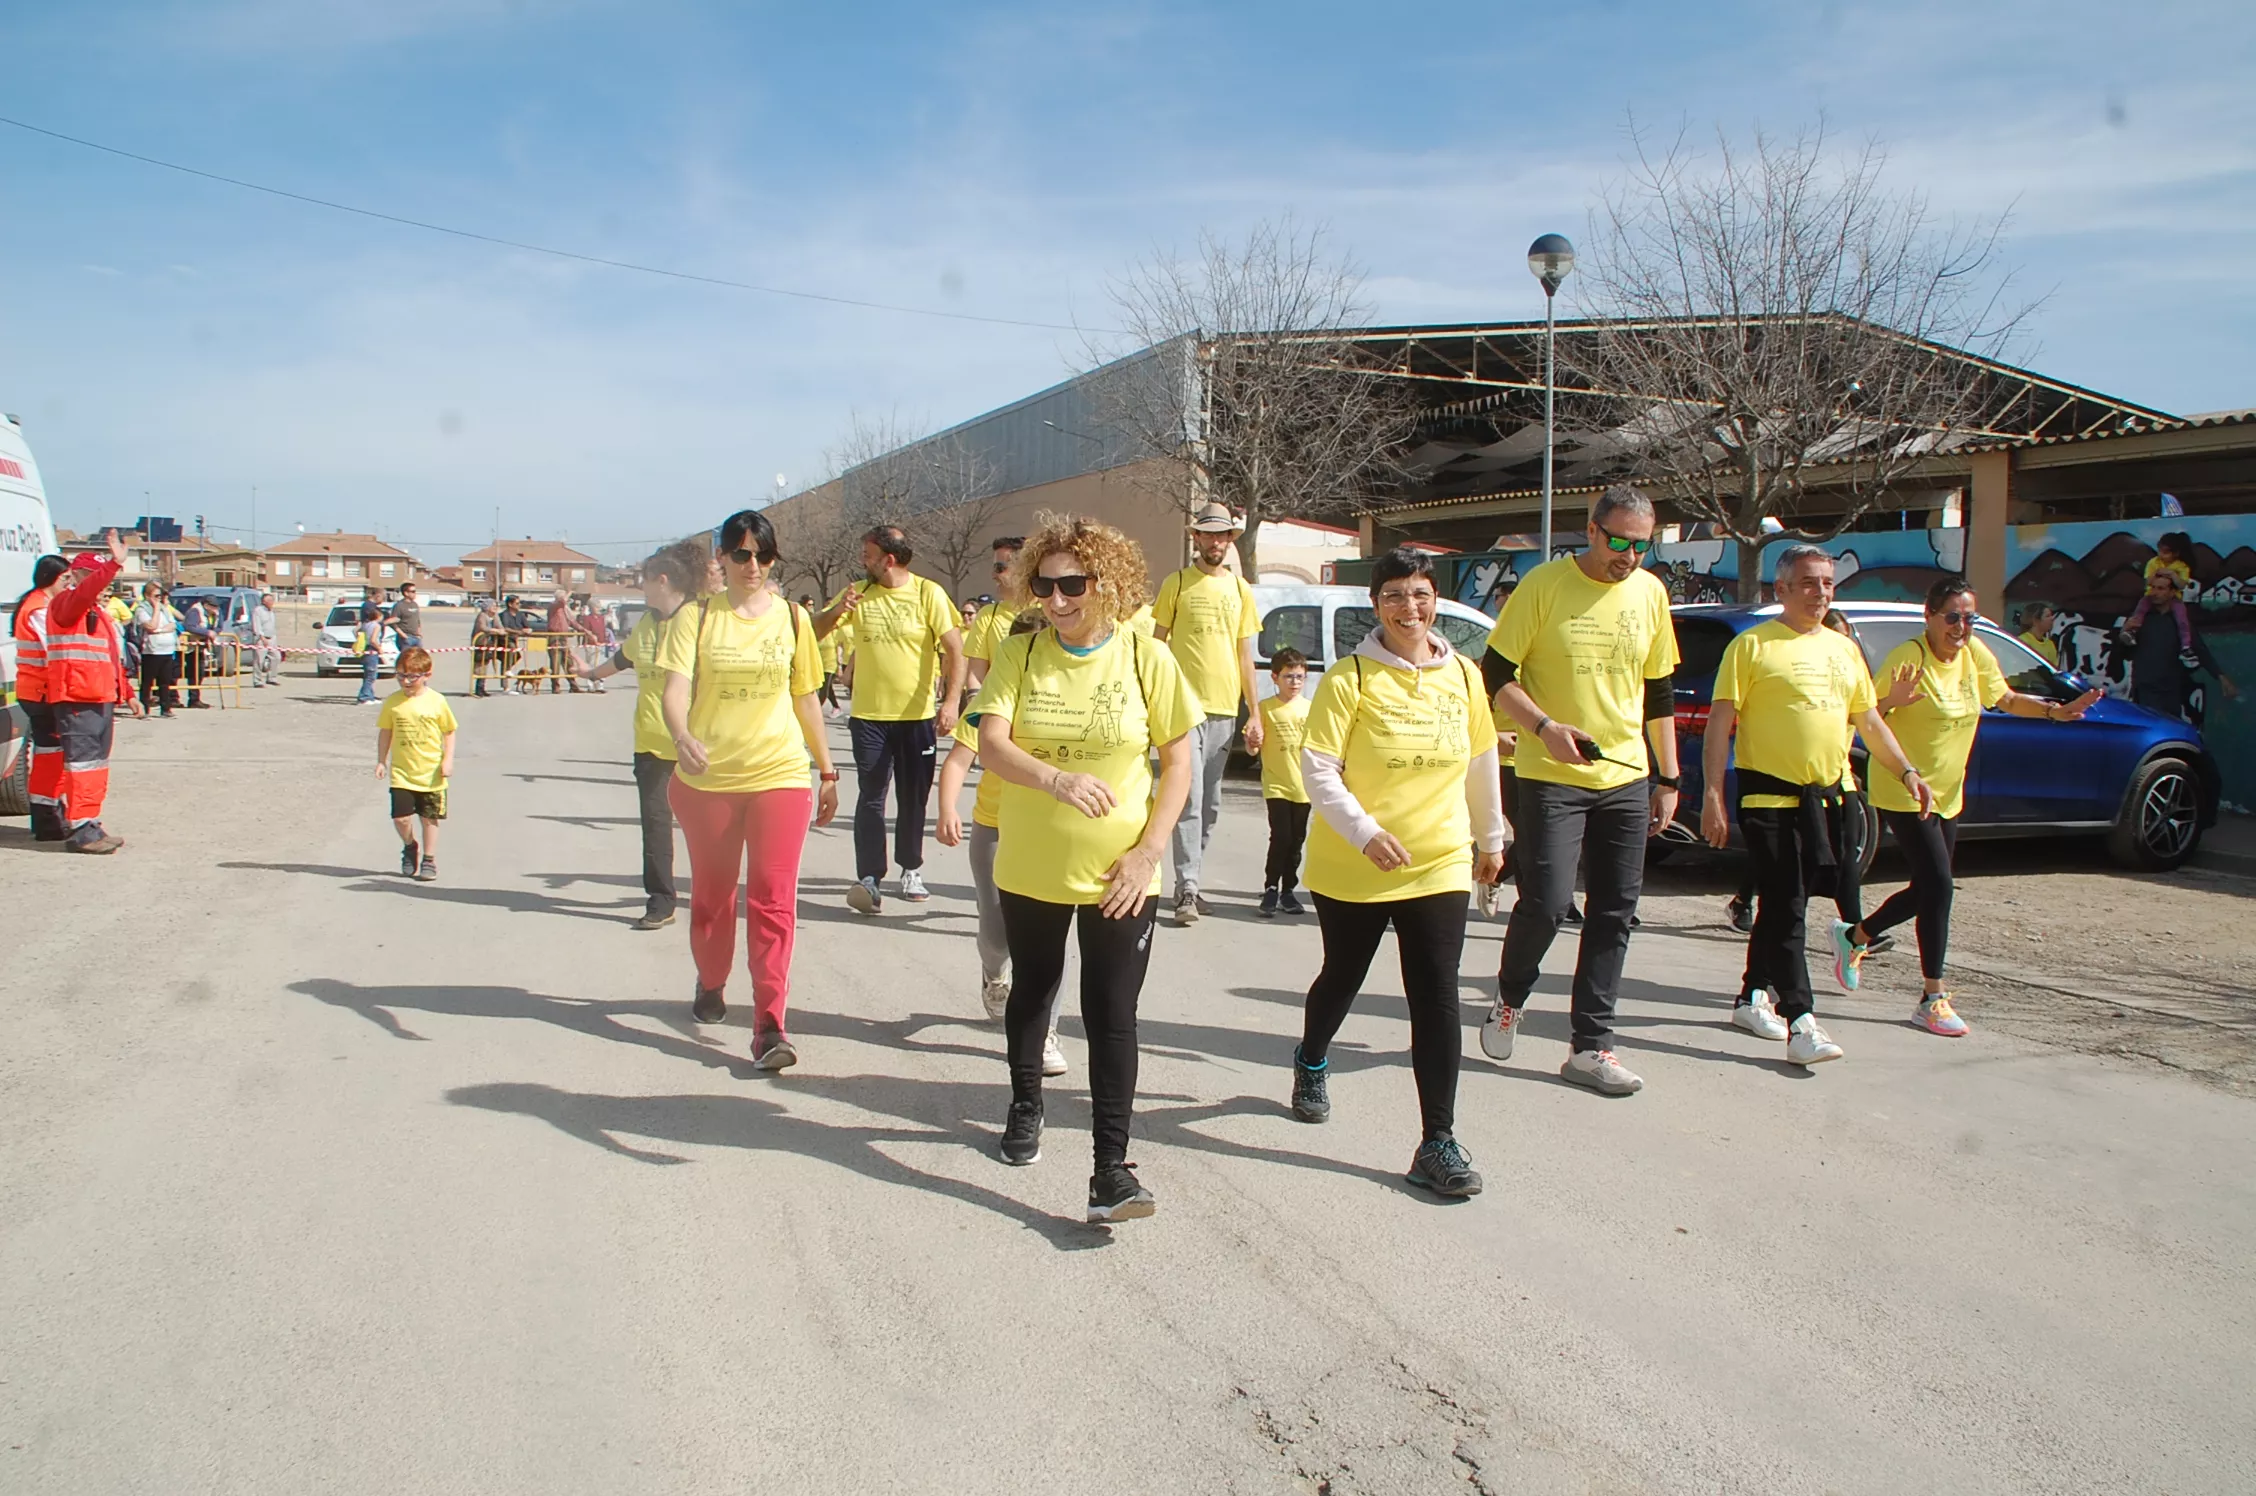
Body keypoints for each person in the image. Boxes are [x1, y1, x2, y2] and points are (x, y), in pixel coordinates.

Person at [970, 514, 1197, 1222]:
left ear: (1109, 582)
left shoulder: (1146, 658)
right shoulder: (1021, 654)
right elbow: (992, 744)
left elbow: (1179, 765)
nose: (1057, 600)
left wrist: (1148, 852)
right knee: (1034, 990)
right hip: (1032, 864)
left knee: (1112, 1013)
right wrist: (1055, 779)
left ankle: (1111, 1171)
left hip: (1121, 873)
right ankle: (1026, 1103)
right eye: (1044, 586)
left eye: (1073, 585)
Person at [1287, 548, 1506, 1199]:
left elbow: (1481, 760)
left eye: (1420, 594)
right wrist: (1365, 832)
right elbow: (1318, 770)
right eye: (1394, 595)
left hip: (1438, 860)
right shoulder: (1349, 678)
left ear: (1435, 599)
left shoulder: (1464, 674)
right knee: (1343, 976)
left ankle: (1437, 1140)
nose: (1409, 608)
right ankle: (1312, 1057)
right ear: (1375, 603)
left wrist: (1491, 839)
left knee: (1436, 993)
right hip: (1353, 862)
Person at [1479, 487, 1680, 1096]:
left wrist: (1669, 777)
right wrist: (1544, 727)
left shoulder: (1650, 593)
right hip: (1550, 774)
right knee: (1546, 902)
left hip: (1625, 776)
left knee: (1615, 912)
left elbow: (1659, 692)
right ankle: (1510, 996)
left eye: (1641, 545)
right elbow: (1496, 673)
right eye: (1618, 541)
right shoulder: (1544, 586)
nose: (1629, 556)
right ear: (1590, 531)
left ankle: (1592, 1045)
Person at [1700, 545, 1932, 1065]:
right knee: (1787, 906)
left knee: (1788, 904)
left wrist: (1907, 771)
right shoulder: (1751, 645)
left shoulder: (1844, 649)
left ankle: (1751, 994)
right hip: (1769, 797)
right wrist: (1713, 794)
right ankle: (1801, 1021)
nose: (1821, 593)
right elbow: (1719, 723)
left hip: (1829, 798)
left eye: (1827, 583)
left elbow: (1869, 721)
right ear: (1781, 589)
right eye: (1809, 583)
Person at [1840, 579, 2104, 1034]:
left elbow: (2006, 699)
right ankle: (1932, 997)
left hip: (1947, 791)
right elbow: (1864, 716)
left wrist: (2053, 711)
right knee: (1939, 885)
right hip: (1904, 787)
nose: (1961, 627)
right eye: (1952, 617)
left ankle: (1854, 936)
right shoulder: (1909, 658)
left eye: (1969, 618)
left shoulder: (1973, 654)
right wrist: (1891, 701)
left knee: (1929, 888)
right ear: (1929, 616)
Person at [660, 509, 839, 1070]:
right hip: (709, 780)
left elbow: (806, 697)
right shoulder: (696, 618)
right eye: (740, 554)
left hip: (779, 775)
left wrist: (827, 770)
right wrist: (682, 735)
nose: (752, 565)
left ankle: (770, 1024)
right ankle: (712, 979)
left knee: (773, 900)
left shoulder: (793, 620)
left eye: (763, 555)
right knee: (712, 900)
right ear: (722, 558)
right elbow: (674, 689)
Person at [937, 612, 1068, 1075]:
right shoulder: (993, 703)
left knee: (1048, 939)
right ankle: (994, 974)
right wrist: (948, 809)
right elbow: (957, 762)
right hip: (995, 827)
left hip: (1050, 830)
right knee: (996, 932)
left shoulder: (1066, 702)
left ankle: (1046, 1031)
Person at [1722, 609, 1892, 962]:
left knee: (1839, 864)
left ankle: (1850, 931)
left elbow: (1867, 717)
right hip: (1780, 787)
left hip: (1837, 783)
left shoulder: (1845, 660)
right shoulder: (1762, 649)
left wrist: (1906, 771)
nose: (1841, 642)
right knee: (1784, 884)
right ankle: (1768, 955)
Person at [812, 524, 965, 915]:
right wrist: (837, 611)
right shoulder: (857, 593)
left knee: (913, 799)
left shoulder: (928, 593)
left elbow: (955, 650)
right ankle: (869, 878)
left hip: (917, 719)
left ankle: (910, 868)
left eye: (868, 556)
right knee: (871, 797)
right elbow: (814, 633)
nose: (863, 561)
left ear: (889, 560)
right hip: (869, 718)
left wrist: (951, 703)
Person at [578, 542, 703, 929]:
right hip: (651, 743)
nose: (640, 588)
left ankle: (714, 894)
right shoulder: (648, 623)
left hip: (698, 744)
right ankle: (661, 900)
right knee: (656, 825)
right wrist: (590, 674)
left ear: (662, 580)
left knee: (707, 827)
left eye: (643, 580)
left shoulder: (700, 620)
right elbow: (625, 658)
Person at [1152, 501, 1264, 924]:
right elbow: (1157, 645)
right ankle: (1187, 887)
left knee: (1211, 804)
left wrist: (1255, 714)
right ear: (1195, 538)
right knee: (1190, 798)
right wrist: (1152, 699)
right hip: (1183, 710)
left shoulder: (1240, 589)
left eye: (1222, 536)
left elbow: (1244, 655)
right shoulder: (1177, 584)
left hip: (1224, 711)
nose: (1215, 542)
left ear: (1229, 540)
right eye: (1208, 535)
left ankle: (1190, 879)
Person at [37, 532, 133, 852]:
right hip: (77, 696)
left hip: (98, 695)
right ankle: (81, 828)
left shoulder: (94, 611)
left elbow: (110, 656)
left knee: (94, 765)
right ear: (76, 575)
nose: (100, 583)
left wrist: (127, 692)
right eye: (92, 575)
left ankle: (90, 822)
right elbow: (86, 591)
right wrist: (113, 565)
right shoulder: (67, 604)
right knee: (82, 764)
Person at [375, 646, 457, 882]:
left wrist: (447, 760)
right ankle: (410, 845)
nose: (406, 681)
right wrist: (381, 761)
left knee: (429, 818)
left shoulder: (437, 701)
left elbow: (449, 731)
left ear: (427, 675)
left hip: (431, 772)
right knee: (400, 818)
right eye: (401, 675)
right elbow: (385, 732)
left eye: (412, 676)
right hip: (402, 771)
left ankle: (429, 859)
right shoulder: (393, 702)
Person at [2125, 568, 2239, 722]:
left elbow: (2199, 649)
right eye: (2153, 588)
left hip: (2171, 690)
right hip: (2145, 688)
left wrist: (2221, 677)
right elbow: (2124, 650)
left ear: (2172, 592)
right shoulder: (2141, 618)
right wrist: (2124, 633)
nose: (2154, 593)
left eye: (2161, 588)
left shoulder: (2181, 623)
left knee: (2171, 730)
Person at [12, 554, 70, 841]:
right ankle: (47, 820)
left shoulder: (37, 604)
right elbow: (55, 651)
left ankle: (50, 816)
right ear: (52, 578)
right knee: (50, 757)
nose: (69, 585)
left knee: (51, 756)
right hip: (41, 693)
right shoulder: (39, 609)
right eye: (66, 579)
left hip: (39, 691)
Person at [1256, 646, 1312, 917]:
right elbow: (1253, 748)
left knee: (1296, 841)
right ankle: (1270, 888)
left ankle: (1288, 890)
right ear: (1275, 678)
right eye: (1288, 676)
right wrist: (1252, 742)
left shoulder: (1311, 709)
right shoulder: (1265, 708)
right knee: (1281, 837)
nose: (1294, 682)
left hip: (1303, 788)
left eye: (1299, 677)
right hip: (1276, 785)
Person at [2122, 531, 2198, 666]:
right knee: (2139, 611)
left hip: (2174, 598)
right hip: (2150, 595)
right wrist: (2156, 574)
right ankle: (2132, 632)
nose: (2161, 555)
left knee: (2182, 620)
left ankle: (2186, 647)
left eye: (2165, 552)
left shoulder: (2181, 566)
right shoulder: (2153, 562)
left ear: (2175, 553)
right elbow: (2147, 582)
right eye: (2160, 551)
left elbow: (2182, 585)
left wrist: (2172, 574)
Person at [962, 536, 1026, 690]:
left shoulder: (1049, 613)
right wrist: (974, 703)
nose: (993, 575)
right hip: (997, 704)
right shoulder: (987, 615)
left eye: (999, 568)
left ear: (1023, 569)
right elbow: (976, 676)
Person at [132, 583, 181, 718]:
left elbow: (173, 625)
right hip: (152, 650)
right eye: (156, 596)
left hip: (167, 649)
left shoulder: (165, 609)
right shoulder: (142, 609)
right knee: (147, 682)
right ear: (147, 596)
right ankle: (144, 708)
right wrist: (156, 609)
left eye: (160, 596)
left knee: (165, 681)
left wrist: (159, 630)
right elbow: (151, 626)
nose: (159, 598)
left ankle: (166, 708)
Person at [546, 591, 589, 694]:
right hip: (554, 637)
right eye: (564, 598)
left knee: (569, 662)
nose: (566, 600)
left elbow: (572, 622)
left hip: (564, 638)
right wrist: (568, 593)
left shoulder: (565, 610)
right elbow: (560, 602)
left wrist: (584, 630)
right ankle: (555, 686)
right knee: (555, 663)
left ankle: (573, 686)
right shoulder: (553, 607)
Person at [354, 602, 387, 705]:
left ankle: (370, 696)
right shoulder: (376, 626)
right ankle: (363, 697)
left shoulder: (365, 625)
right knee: (371, 675)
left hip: (365, 649)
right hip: (372, 649)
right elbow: (373, 640)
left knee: (367, 674)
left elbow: (355, 631)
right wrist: (379, 648)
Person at [471, 597, 502, 697]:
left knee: (486, 664)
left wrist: (501, 630)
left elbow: (499, 626)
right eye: (493, 606)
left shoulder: (495, 616)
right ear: (487, 607)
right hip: (480, 643)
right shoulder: (482, 615)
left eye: (496, 606)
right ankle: (478, 688)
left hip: (489, 643)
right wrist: (495, 631)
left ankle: (482, 687)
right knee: (480, 665)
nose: (495, 608)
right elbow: (482, 627)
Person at [2016, 602, 2061, 669]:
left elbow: (2054, 669)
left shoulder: (2050, 644)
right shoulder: (2023, 641)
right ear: (2035, 621)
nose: (2052, 618)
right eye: (2047, 616)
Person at [250, 591, 281, 687]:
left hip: (272, 638)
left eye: (272, 600)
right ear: (264, 601)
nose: (272, 602)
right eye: (269, 600)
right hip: (261, 639)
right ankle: (257, 680)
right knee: (259, 660)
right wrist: (262, 637)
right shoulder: (258, 611)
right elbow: (257, 625)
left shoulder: (271, 611)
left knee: (276, 657)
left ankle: (272, 678)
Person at [391, 581, 424, 651]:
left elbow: (417, 620)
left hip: (416, 637)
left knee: (419, 657)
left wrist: (419, 633)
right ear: (406, 593)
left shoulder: (415, 604)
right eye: (413, 591)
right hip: (406, 638)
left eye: (415, 591)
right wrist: (403, 635)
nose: (415, 593)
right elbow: (393, 623)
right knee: (406, 657)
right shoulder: (399, 606)